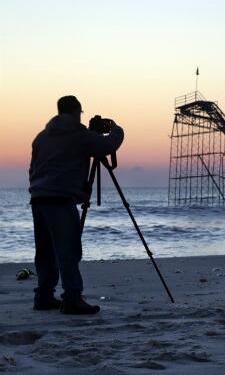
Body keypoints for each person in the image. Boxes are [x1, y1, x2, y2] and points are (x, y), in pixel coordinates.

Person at [29, 95, 124, 315]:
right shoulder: (80, 136)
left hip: (38, 197)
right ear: (76, 112)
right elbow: (108, 145)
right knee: (68, 250)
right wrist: (117, 128)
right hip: (60, 200)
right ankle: (72, 297)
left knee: (45, 251)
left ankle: (43, 296)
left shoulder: (41, 137)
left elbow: (32, 168)